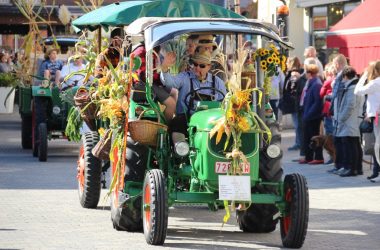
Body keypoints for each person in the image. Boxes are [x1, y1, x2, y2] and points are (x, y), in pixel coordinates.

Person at [160, 50, 226, 144]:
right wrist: (165, 67)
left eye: (202, 66)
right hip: (186, 119)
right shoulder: (185, 77)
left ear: (209, 67)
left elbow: (224, 103)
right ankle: (180, 150)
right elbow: (169, 83)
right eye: (195, 64)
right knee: (176, 125)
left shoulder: (218, 82)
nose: (197, 68)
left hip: (210, 121)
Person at [131, 43, 177, 122]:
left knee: (174, 92)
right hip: (142, 85)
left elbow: (154, 73)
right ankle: (165, 129)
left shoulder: (154, 50)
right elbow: (143, 76)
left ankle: (175, 121)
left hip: (151, 83)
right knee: (171, 103)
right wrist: (163, 66)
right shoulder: (142, 51)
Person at [332, 66, 363, 177]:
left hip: (350, 121)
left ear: (345, 76)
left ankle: (352, 168)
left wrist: (341, 118)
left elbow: (350, 105)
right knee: (354, 144)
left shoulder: (352, 88)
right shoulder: (354, 86)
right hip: (352, 120)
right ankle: (356, 168)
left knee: (350, 145)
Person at [354, 60, 380, 182]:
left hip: (378, 117)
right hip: (376, 116)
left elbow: (357, 91)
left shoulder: (375, 82)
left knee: (378, 147)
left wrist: (363, 76)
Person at [299, 62, 324, 164]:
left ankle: (318, 157)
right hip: (308, 114)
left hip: (313, 117)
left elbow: (317, 102)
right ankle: (308, 157)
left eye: (306, 72)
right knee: (307, 137)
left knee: (314, 137)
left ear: (310, 73)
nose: (305, 74)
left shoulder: (316, 84)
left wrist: (309, 114)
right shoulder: (310, 82)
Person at [280, 56, 303, 150]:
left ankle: (299, 143)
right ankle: (299, 142)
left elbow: (293, 88)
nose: (285, 64)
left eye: (287, 62)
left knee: (297, 125)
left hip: (294, 104)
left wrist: (290, 97)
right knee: (297, 124)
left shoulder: (294, 74)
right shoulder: (296, 73)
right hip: (295, 103)